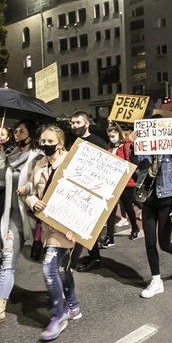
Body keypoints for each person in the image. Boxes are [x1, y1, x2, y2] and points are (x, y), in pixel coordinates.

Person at [0, 119, 40, 330]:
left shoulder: (38, 156)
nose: (17, 133)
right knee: (7, 261)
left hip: (35, 218)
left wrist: (29, 189)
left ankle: (67, 301)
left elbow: (43, 183)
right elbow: (2, 180)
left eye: (22, 130)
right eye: (17, 131)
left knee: (52, 267)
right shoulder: (13, 155)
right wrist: (0, 155)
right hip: (13, 218)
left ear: (32, 133)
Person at [22, 126, 81, 340]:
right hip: (45, 226)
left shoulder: (72, 162)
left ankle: (58, 315)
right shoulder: (39, 163)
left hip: (65, 227)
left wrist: (80, 228)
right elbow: (30, 186)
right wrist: (31, 199)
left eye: (49, 140)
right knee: (62, 270)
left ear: (60, 142)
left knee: (49, 269)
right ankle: (73, 306)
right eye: (42, 141)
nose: (45, 144)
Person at [133, 123, 172, 299]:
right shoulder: (142, 150)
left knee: (164, 243)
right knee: (150, 242)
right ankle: (156, 281)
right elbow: (132, 167)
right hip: (148, 202)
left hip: (166, 201)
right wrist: (132, 144)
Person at [70, 111, 108, 272]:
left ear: (86, 124)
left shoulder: (99, 143)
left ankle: (93, 258)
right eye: (72, 123)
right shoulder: (72, 143)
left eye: (77, 123)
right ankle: (93, 256)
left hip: (94, 191)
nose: (74, 126)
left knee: (88, 226)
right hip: (77, 190)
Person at [101, 124, 139, 247]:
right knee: (110, 211)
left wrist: (127, 141)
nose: (111, 138)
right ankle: (110, 237)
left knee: (128, 207)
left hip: (127, 183)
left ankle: (135, 228)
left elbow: (130, 158)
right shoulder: (110, 148)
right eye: (109, 136)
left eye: (113, 135)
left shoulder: (126, 146)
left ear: (119, 134)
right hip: (113, 183)